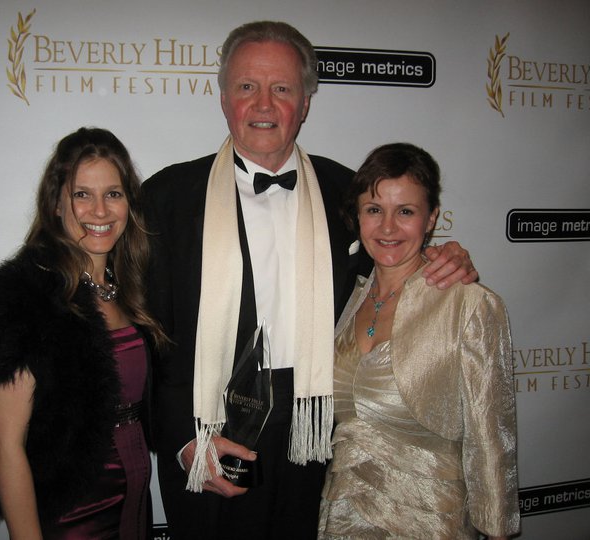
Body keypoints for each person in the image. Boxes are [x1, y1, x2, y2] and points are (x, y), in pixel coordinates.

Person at [141, 21, 478, 540]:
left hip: (319, 434)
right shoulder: (165, 197)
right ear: (223, 98)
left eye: (282, 89)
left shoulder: (349, 193)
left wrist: (444, 260)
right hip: (206, 431)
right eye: (247, 87)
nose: (263, 104)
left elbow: (394, 269)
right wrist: (184, 440)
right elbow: (144, 340)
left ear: (304, 104)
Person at [0, 127, 167, 540]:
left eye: (113, 193)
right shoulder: (29, 299)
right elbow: (5, 447)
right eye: (82, 194)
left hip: (133, 498)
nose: (100, 211)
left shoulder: (129, 288)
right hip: (72, 511)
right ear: (56, 204)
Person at [318, 143, 519, 539]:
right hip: (343, 519)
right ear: (358, 218)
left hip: (431, 523)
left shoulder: (470, 306)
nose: (388, 228)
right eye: (374, 210)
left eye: (405, 211)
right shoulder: (348, 295)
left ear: (431, 220)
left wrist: (495, 531)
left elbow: (492, 444)